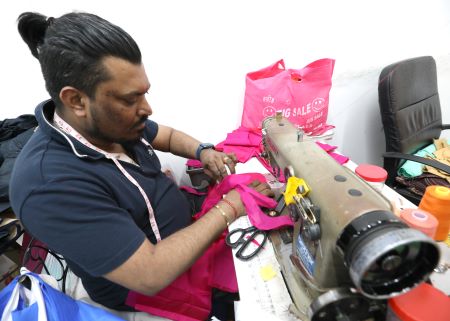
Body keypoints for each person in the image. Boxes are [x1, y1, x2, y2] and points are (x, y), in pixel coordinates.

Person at [10, 11, 273, 320]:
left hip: (183, 238)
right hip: (144, 292)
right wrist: (229, 209)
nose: (147, 109)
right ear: (76, 101)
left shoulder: (110, 124)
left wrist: (203, 151)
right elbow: (149, 274)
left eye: (144, 93)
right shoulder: (50, 185)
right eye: (130, 99)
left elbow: (169, 136)